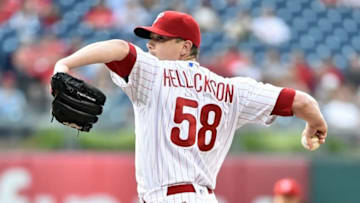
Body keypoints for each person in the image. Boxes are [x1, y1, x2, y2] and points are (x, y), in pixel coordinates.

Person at [53, 10, 327, 203]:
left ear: (184, 48)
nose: (150, 44)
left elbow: (117, 47)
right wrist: (314, 125)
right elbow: (302, 101)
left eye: (160, 39)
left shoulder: (155, 73)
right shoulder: (233, 89)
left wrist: (64, 65)